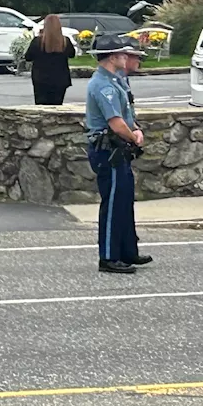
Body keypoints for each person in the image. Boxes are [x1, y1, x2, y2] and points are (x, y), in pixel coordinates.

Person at [85, 35, 150, 275]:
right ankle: (109, 256)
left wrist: (135, 129)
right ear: (113, 57)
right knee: (112, 203)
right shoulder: (103, 85)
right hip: (108, 149)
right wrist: (134, 137)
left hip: (118, 149)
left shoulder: (115, 81)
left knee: (124, 200)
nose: (127, 57)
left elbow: (127, 114)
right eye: (123, 54)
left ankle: (126, 250)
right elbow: (115, 122)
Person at [25, 14, 76, 105]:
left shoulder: (37, 42)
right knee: (57, 106)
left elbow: (28, 57)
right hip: (60, 79)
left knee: (41, 107)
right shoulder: (65, 41)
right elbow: (72, 55)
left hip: (41, 80)